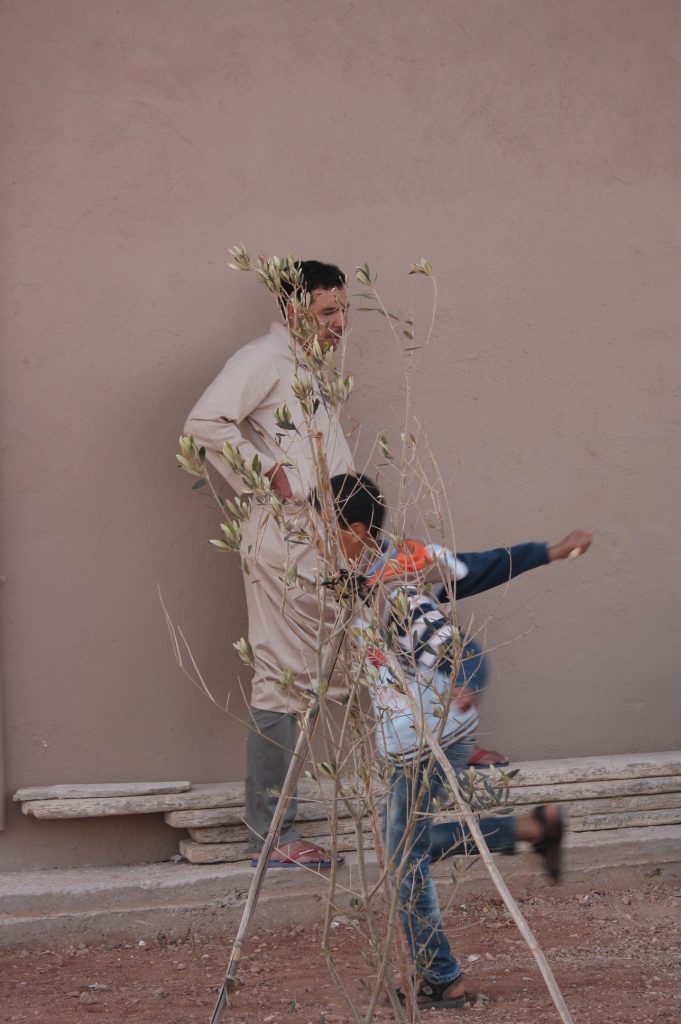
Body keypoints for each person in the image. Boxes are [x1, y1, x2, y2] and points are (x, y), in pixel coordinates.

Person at [328, 473, 593, 1010]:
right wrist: (549, 551)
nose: (315, 537)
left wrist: (467, 681)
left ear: (355, 530)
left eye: (323, 525)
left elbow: (457, 642)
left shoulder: (397, 585)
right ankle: (531, 827)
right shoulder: (373, 568)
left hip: (428, 737)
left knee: (403, 858)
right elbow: (475, 568)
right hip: (418, 733)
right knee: (409, 847)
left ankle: (442, 977)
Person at [184, 261, 354, 868]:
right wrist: (270, 475)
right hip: (285, 540)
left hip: (328, 542)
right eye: (328, 311)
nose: (340, 323)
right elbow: (204, 422)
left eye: (344, 310)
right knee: (283, 675)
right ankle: (274, 834)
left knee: (367, 650)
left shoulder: (306, 367)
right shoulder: (263, 357)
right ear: (293, 311)